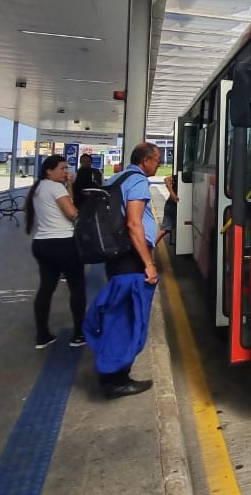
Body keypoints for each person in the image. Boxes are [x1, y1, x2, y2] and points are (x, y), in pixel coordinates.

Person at [84, 142, 160, 399]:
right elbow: (133, 223)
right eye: (157, 159)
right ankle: (115, 380)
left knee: (118, 313)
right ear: (145, 161)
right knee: (127, 318)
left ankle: (114, 374)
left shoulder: (116, 177)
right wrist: (148, 263)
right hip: (132, 260)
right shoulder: (138, 181)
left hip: (116, 257)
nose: (158, 163)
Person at [24, 154, 87, 349]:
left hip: (42, 244)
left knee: (46, 288)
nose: (65, 172)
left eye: (66, 168)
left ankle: (42, 335)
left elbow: (64, 203)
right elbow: (71, 213)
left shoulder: (39, 187)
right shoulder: (55, 187)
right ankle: (79, 334)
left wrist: (69, 186)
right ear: (48, 170)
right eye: (61, 168)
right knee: (77, 287)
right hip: (64, 243)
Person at [156, 174, 178, 251]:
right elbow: (166, 179)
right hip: (172, 205)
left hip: (176, 205)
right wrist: (173, 194)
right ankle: (147, 248)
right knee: (165, 229)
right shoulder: (184, 175)